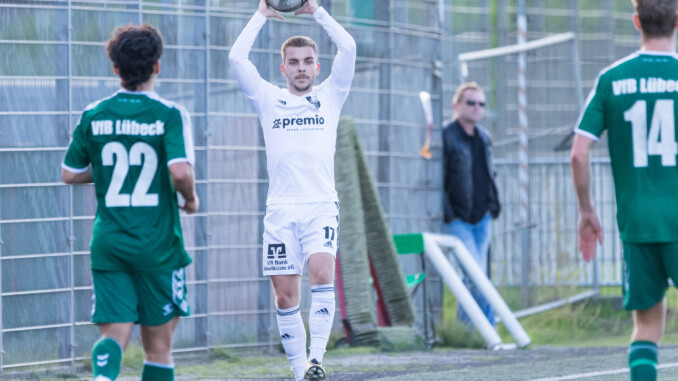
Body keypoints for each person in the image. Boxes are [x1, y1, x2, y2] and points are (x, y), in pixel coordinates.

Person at [61, 24, 199, 381]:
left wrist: (105, 172)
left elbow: (70, 173)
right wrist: (191, 198)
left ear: (116, 69)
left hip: (110, 243)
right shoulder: (169, 114)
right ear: (157, 66)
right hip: (157, 246)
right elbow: (181, 173)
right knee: (158, 347)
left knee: (113, 334)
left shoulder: (94, 113)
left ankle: (104, 378)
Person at [229, 0, 355, 379]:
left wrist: (316, 11)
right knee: (285, 297)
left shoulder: (332, 95)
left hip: (320, 206)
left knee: (322, 274)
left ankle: (317, 358)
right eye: (294, 62)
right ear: (284, 68)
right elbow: (237, 58)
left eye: (307, 62)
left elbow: (348, 47)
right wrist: (261, 15)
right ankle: (301, 372)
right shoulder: (268, 98)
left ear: (318, 66)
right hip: (281, 210)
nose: (301, 68)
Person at [571, 1, 678, 379]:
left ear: (637, 22)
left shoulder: (611, 79)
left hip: (637, 224)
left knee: (647, 326)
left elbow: (579, 153)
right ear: (677, 22)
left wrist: (587, 211)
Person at [442, 82, 501, 328]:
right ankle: (489, 332)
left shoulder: (484, 137)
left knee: (474, 277)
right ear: (456, 105)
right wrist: (450, 216)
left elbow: (488, 174)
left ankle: (466, 332)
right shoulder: (447, 135)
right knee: (477, 277)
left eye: (481, 103)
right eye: (471, 102)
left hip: (482, 218)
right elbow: (440, 181)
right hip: (458, 220)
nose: (477, 107)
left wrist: (490, 207)